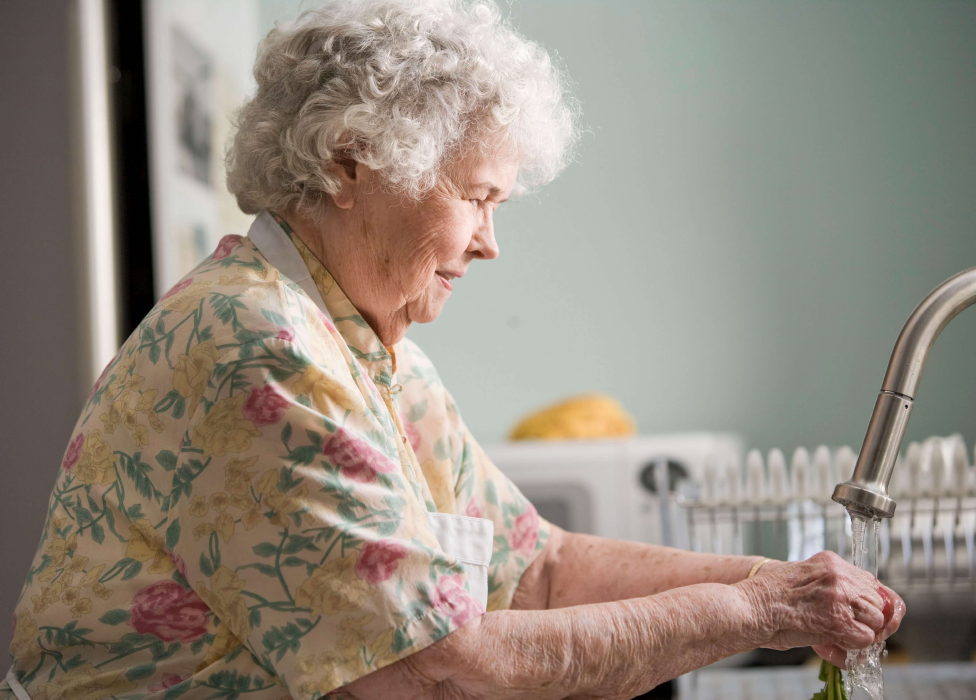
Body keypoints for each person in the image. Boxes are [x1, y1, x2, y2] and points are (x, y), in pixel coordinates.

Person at [2, 1, 904, 699]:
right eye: (477, 198)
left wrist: (782, 584)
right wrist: (759, 610)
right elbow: (436, 670)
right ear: (352, 163)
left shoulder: (366, 347)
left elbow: (538, 569)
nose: (489, 243)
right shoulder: (260, 349)